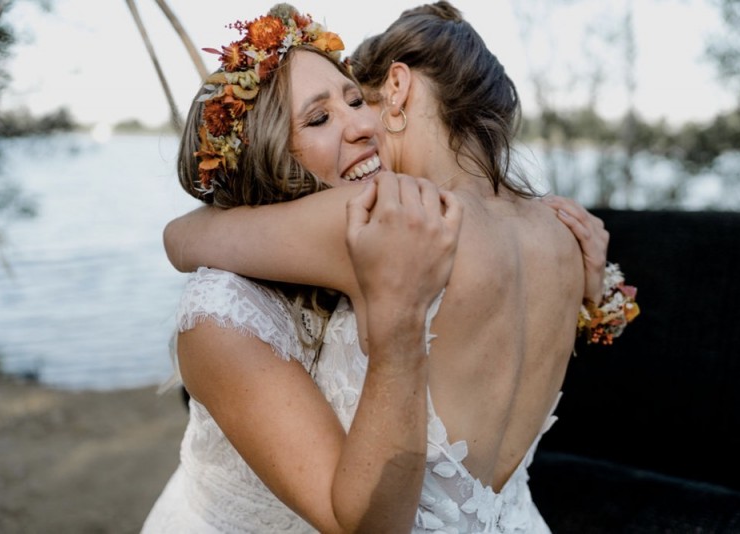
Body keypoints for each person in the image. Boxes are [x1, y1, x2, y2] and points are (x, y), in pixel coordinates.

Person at [147, 2, 637, 532]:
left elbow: (185, 238)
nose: (362, 125)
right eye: (321, 116)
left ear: (398, 88)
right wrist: (601, 295)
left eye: (360, 99)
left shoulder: (395, 215)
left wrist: (186, 227)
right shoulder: (561, 230)